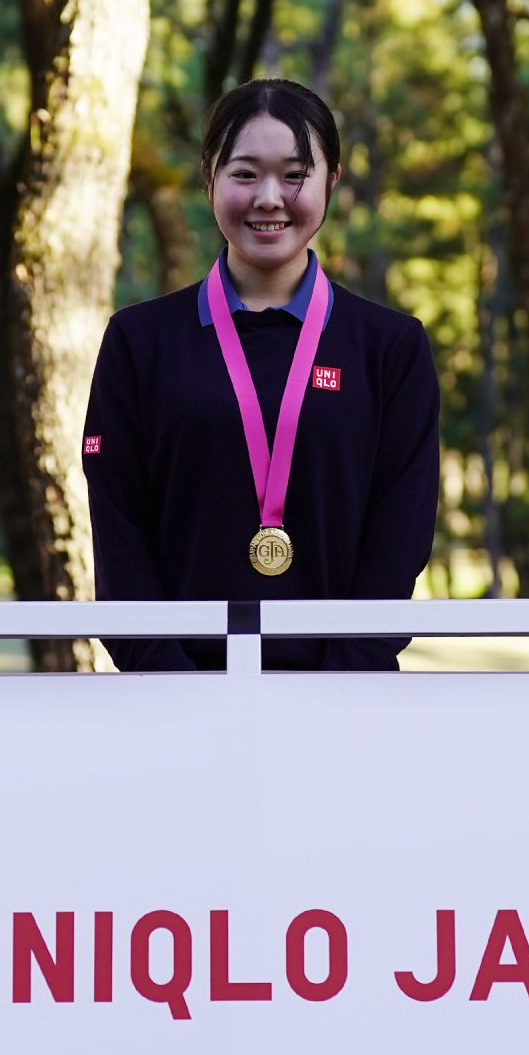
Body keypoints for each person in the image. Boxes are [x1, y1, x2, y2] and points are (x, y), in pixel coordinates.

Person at [82, 79, 441, 671]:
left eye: (295, 174)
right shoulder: (139, 342)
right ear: (209, 178)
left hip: (345, 695)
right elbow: (120, 527)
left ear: (332, 180)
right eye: (245, 173)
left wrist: (343, 680)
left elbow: (399, 534)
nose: (269, 198)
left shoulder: (390, 348)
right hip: (172, 696)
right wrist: (168, 680)